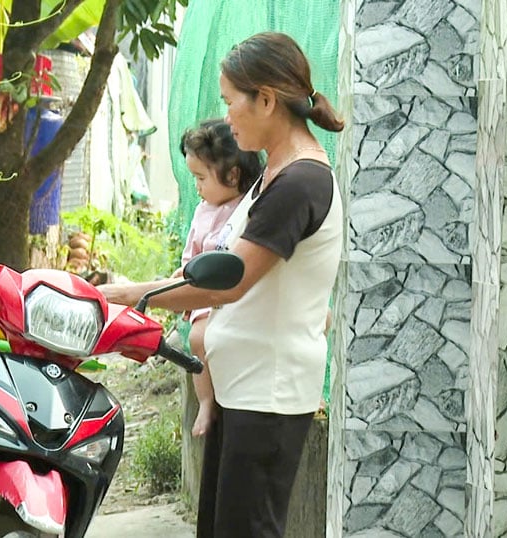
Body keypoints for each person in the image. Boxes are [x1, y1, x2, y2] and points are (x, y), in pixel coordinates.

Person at [98, 31, 344, 538]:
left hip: (267, 395)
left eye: (231, 102)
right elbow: (220, 267)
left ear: (267, 100)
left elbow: (228, 282)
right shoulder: (275, 173)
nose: (227, 117)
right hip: (245, 389)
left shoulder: (299, 183)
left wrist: (129, 295)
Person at [172, 120, 261, 440]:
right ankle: (207, 401)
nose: (196, 187)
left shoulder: (249, 207)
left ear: (233, 176)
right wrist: (182, 277)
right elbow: (191, 255)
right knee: (198, 338)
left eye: (201, 178)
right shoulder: (202, 210)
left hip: (238, 295)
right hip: (204, 294)